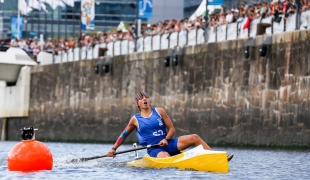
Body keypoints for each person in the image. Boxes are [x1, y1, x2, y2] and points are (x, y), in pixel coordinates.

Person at [106, 91, 213, 158]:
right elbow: (123, 135)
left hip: (169, 143)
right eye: (141, 98)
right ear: (137, 103)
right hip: (154, 149)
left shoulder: (159, 111)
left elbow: (171, 129)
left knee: (194, 137)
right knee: (165, 157)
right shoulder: (135, 120)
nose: (145, 99)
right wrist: (113, 149)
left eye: (146, 97)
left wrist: (166, 139)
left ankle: (214, 156)